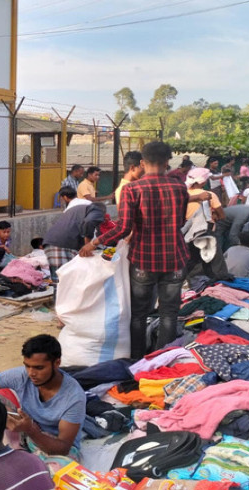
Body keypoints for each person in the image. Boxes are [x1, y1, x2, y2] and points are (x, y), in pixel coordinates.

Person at [79, 141, 190, 358]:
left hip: (144, 261)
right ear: (168, 162)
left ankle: (137, 359)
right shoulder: (180, 187)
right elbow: (181, 221)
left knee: (138, 314)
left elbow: (123, 228)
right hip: (175, 258)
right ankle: (163, 358)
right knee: (169, 314)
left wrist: (93, 243)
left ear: (142, 162)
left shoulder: (132, 189)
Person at [0, 335, 86, 459]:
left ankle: (8, 456)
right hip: (24, 430)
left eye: (39, 368)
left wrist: (30, 430)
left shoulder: (74, 397)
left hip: (52, 446)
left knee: (56, 470)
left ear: (56, 363)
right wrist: (2, 410)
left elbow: (63, 448)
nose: (31, 373)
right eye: (27, 366)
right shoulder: (23, 375)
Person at [43, 187, 106, 279]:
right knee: (64, 280)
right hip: (60, 242)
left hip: (55, 241)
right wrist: (88, 244)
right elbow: (89, 222)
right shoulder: (97, 210)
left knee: (65, 279)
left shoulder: (78, 207)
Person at [183, 167, 230, 287]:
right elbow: (222, 215)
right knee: (215, 263)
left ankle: (197, 287)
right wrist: (214, 215)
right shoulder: (209, 195)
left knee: (194, 263)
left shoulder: (184, 195)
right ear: (203, 182)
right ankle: (219, 286)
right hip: (206, 232)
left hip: (187, 234)